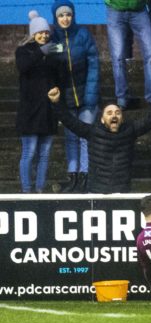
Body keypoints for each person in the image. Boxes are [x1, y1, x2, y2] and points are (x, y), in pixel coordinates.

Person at [47, 83, 151, 193]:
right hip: (96, 192)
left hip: (122, 191)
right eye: (109, 113)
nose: (114, 115)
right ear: (102, 119)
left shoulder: (130, 130)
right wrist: (56, 103)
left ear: (122, 118)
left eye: (117, 113)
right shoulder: (92, 132)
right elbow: (69, 121)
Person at [50, 0, 100, 193]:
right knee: (70, 138)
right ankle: (73, 177)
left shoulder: (83, 34)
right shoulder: (53, 38)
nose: (65, 18)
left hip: (86, 95)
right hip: (66, 97)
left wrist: (90, 95)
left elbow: (94, 64)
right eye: (61, 15)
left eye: (68, 14)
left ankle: (86, 175)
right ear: (56, 17)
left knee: (85, 136)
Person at [16, 10, 61, 193]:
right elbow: (23, 67)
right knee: (29, 152)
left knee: (45, 154)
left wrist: (57, 89)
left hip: (48, 111)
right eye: (40, 32)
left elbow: (58, 76)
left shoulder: (52, 51)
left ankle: (40, 188)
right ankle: (27, 189)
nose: (44, 35)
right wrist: (39, 53)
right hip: (29, 112)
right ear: (33, 34)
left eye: (46, 32)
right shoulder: (23, 51)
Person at [105, 0, 151, 109]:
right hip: (115, 9)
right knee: (118, 56)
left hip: (139, 10)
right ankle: (122, 97)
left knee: (150, 53)